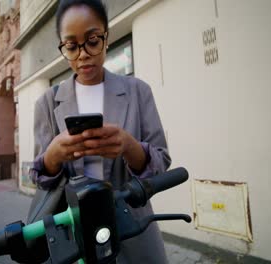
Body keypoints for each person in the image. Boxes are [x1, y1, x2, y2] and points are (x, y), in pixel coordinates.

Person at [30, 0, 171, 263]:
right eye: (71, 46)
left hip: (134, 230)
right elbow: (40, 179)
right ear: (63, 47)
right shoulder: (48, 103)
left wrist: (130, 147)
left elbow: (161, 164)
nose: (83, 54)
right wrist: (53, 156)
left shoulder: (138, 92)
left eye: (92, 41)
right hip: (74, 236)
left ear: (106, 38)